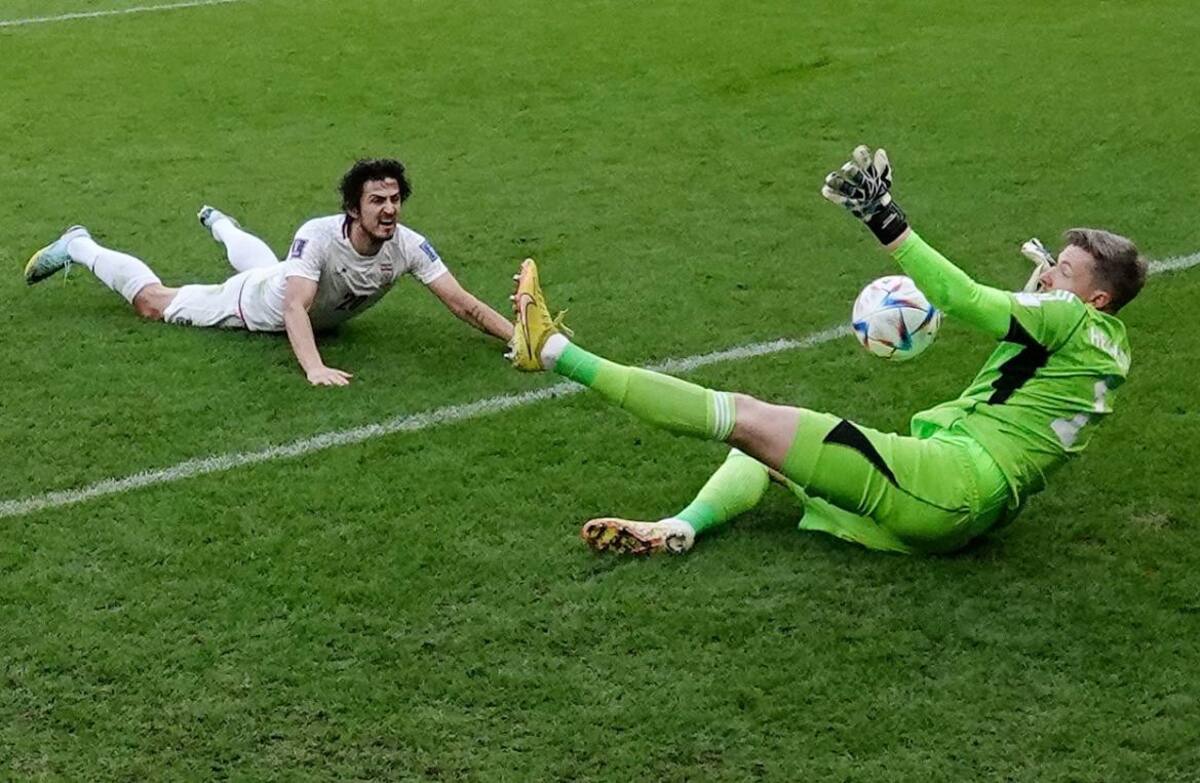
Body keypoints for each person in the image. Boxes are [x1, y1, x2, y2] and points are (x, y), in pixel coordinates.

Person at [506, 146, 1147, 555]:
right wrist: (1034, 297)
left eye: (1062, 270)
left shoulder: (1066, 316)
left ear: (1095, 298)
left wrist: (885, 219)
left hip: (950, 482)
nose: (1049, 275)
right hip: (965, 504)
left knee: (746, 415)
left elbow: (964, 299)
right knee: (766, 449)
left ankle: (553, 349)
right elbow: (1018, 387)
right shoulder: (1105, 348)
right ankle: (681, 528)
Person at [24, 158, 514, 386]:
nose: (389, 211)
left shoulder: (407, 246)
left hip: (281, 277)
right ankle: (80, 245)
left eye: (394, 200)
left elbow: (462, 303)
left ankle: (220, 224)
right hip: (254, 304)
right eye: (376, 201)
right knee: (155, 303)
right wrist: (314, 367)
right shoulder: (319, 236)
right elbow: (294, 306)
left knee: (272, 266)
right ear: (352, 208)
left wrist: (518, 337)